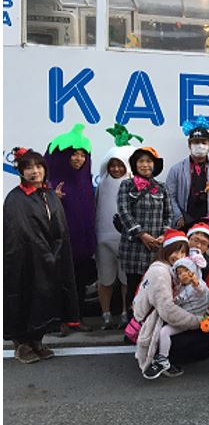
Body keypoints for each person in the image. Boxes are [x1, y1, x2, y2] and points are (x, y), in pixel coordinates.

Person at [4, 147, 82, 363]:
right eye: (28, 167)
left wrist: (56, 252)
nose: (34, 171)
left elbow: (60, 228)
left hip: (50, 257)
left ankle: (37, 339)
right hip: (27, 259)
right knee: (26, 296)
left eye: (38, 166)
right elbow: (20, 232)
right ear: (20, 172)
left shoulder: (49, 194)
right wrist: (44, 252)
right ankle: (21, 344)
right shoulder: (15, 198)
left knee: (46, 297)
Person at [132, 229, 209, 377]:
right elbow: (168, 311)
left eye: (182, 252)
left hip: (160, 321)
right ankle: (165, 358)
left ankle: (170, 355)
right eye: (175, 251)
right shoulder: (161, 272)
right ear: (166, 250)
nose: (178, 256)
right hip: (154, 326)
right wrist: (197, 321)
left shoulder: (172, 268)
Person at [44, 124, 97, 335]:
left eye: (82, 154)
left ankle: (76, 318)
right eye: (73, 154)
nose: (78, 159)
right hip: (60, 245)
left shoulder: (85, 180)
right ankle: (59, 321)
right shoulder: (50, 183)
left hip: (82, 246)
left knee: (80, 283)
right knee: (60, 283)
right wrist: (52, 199)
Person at [95, 126, 140, 329]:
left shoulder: (133, 185)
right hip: (103, 238)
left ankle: (124, 312)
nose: (116, 169)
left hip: (125, 240)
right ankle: (105, 314)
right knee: (104, 279)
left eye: (120, 165)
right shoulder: (102, 184)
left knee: (125, 280)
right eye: (112, 165)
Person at [118, 146, 175, 303]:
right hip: (133, 248)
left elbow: (169, 214)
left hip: (156, 247)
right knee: (133, 289)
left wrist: (164, 235)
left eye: (149, 161)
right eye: (141, 161)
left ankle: (151, 325)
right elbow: (124, 212)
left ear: (154, 164)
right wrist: (142, 234)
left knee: (156, 289)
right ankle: (133, 325)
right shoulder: (126, 185)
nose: (145, 165)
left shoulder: (162, 187)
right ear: (135, 165)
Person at [145, 254, 209, 379]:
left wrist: (196, 283)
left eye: (187, 271)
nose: (183, 274)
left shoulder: (198, 284)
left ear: (194, 271)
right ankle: (162, 358)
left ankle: (163, 358)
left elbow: (202, 292)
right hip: (184, 318)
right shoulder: (181, 288)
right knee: (163, 331)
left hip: (196, 319)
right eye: (179, 273)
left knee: (165, 331)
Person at [166, 116, 209, 230]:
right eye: (195, 142)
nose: (200, 146)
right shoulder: (175, 170)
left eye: (203, 142)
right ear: (189, 145)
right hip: (184, 221)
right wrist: (178, 216)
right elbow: (169, 197)